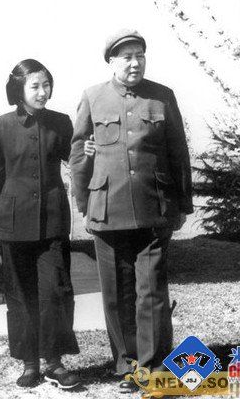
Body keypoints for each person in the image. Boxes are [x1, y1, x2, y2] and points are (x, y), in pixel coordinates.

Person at [70, 29, 193, 393]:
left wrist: (183, 204)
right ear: (112, 62)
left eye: (140, 55)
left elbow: (178, 153)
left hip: (154, 209)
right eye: (127, 57)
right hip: (107, 210)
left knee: (151, 291)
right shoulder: (93, 97)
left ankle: (153, 368)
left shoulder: (162, 96)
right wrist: (83, 204)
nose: (135, 62)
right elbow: (79, 155)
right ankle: (128, 366)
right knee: (117, 294)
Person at [0, 59, 80, 390]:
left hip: (53, 222)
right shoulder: (1, 125)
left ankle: (54, 363)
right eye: (35, 86)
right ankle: (30, 363)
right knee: (20, 295)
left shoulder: (61, 122)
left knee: (55, 291)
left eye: (46, 85)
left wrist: (88, 150)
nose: (43, 92)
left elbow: (77, 158)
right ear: (19, 89)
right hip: (13, 224)